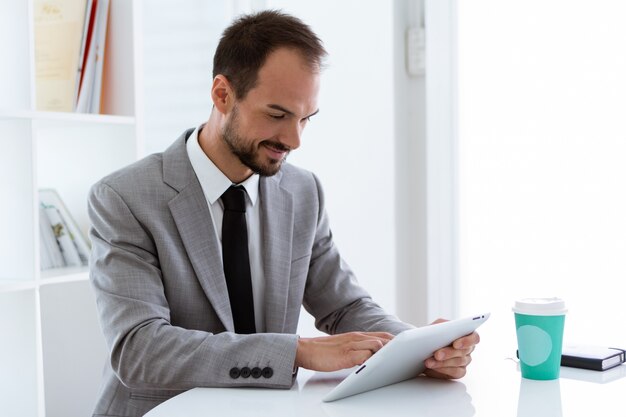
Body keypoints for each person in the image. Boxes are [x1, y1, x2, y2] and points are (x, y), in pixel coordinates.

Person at [88, 10, 479, 417]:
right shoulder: (124, 198)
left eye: (305, 118)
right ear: (222, 95)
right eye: (277, 115)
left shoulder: (302, 191)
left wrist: (418, 348)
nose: (293, 139)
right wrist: (297, 352)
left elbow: (343, 306)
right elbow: (140, 348)